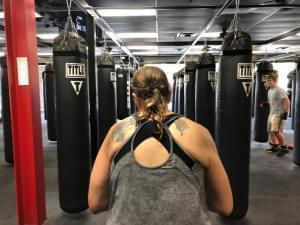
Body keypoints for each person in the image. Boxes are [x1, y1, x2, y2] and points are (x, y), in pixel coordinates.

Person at [88, 66, 233, 225]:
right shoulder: (198, 133)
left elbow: (95, 203)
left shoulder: (116, 133)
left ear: (135, 98)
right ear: (169, 92)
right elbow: (225, 205)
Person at [264, 70, 291, 156]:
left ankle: (284, 148)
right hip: (271, 113)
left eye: (269, 81)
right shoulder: (270, 90)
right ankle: (275, 146)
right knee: (270, 131)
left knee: (276, 131)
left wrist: (286, 113)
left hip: (278, 114)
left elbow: (287, 101)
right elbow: (272, 101)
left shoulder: (279, 90)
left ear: (275, 80)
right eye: (267, 81)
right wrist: (266, 103)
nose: (267, 82)